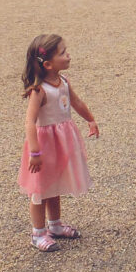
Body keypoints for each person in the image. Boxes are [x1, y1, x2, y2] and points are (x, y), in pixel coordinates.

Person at [18, 35, 98, 252]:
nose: (68, 55)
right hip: (43, 147)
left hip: (61, 143)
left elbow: (77, 102)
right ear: (48, 64)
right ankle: (38, 233)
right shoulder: (39, 90)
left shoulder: (63, 82)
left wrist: (90, 119)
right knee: (39, 190)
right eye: (63, 52)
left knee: (55, 185)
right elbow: (30, 121)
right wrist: (34, 150)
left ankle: (55, 225)